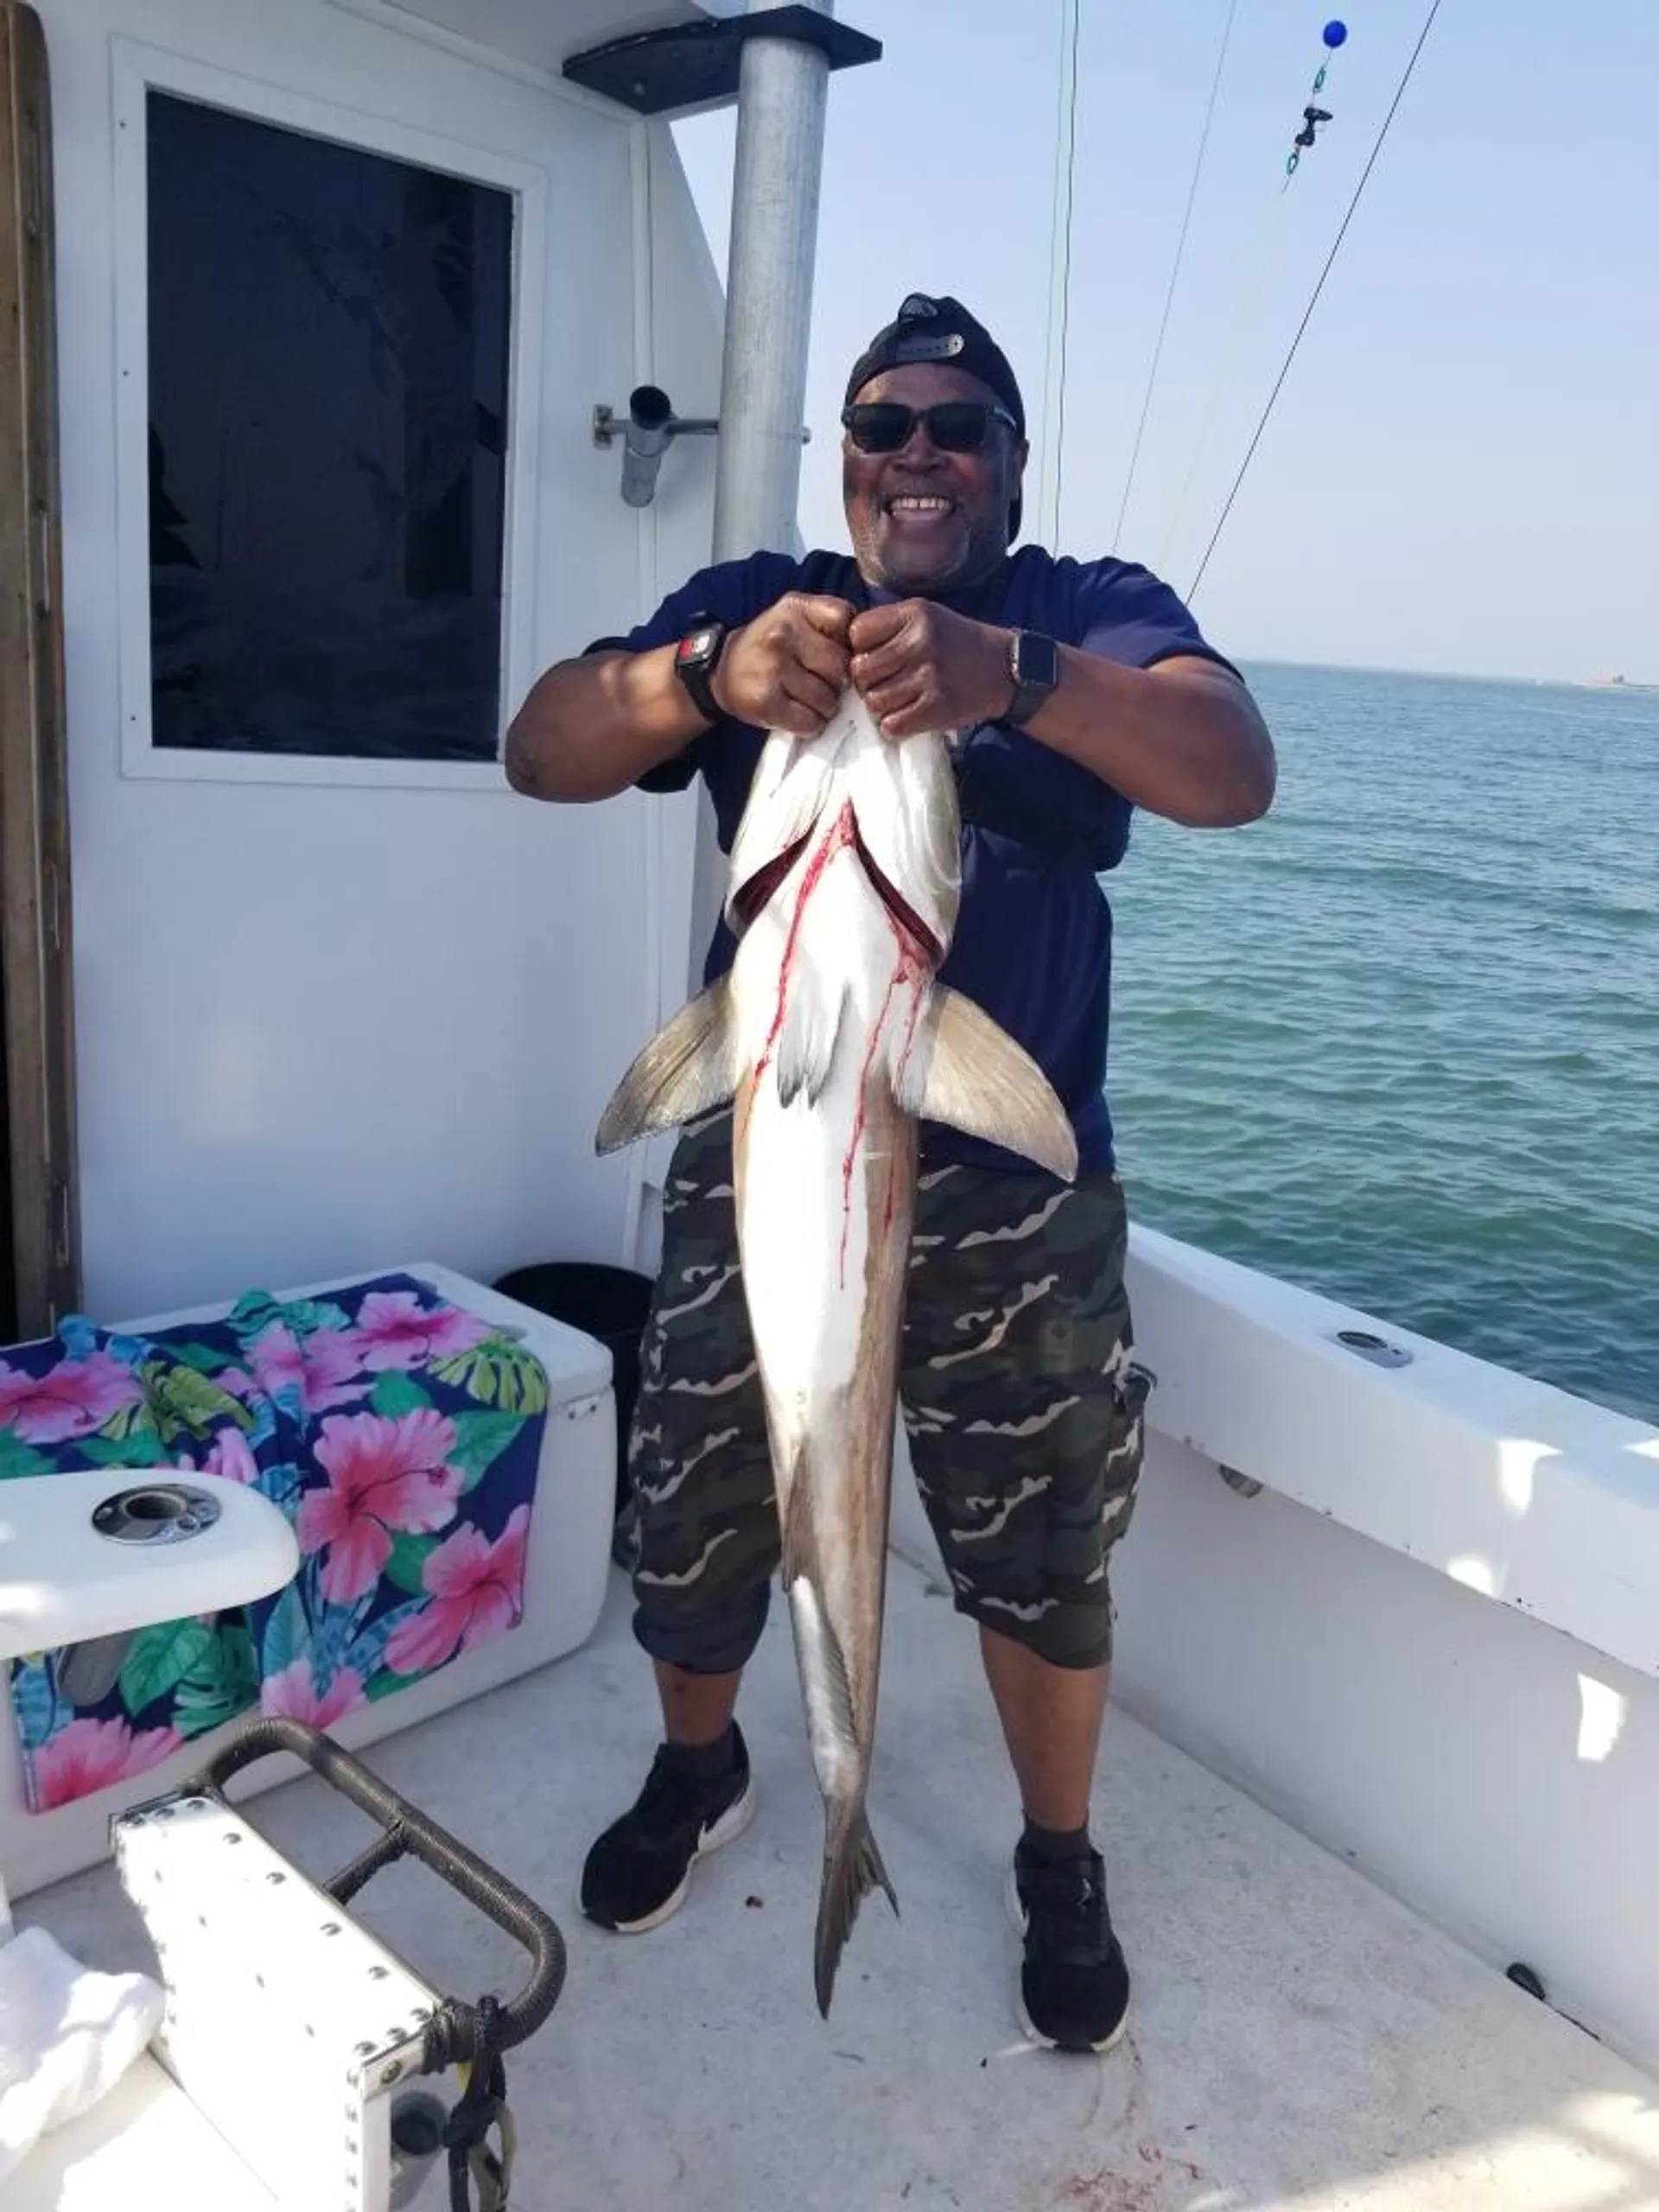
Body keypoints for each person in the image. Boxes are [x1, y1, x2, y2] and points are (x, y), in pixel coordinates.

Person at [505, 293, 1275, 2053]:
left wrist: (1022, 683)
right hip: (765, 1134)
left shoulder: (1084, 609)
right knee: (700, 1482)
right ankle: (703, 1764)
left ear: (1009, 461)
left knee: (1042, 1542)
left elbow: (1234, 768)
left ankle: (1057, 1854)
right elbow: (541, 749)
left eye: (955, 425)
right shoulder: (755, 599)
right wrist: (698, 681)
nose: (914, 452)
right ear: (844, 462)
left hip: (1015, 1189)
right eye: (881, 425)